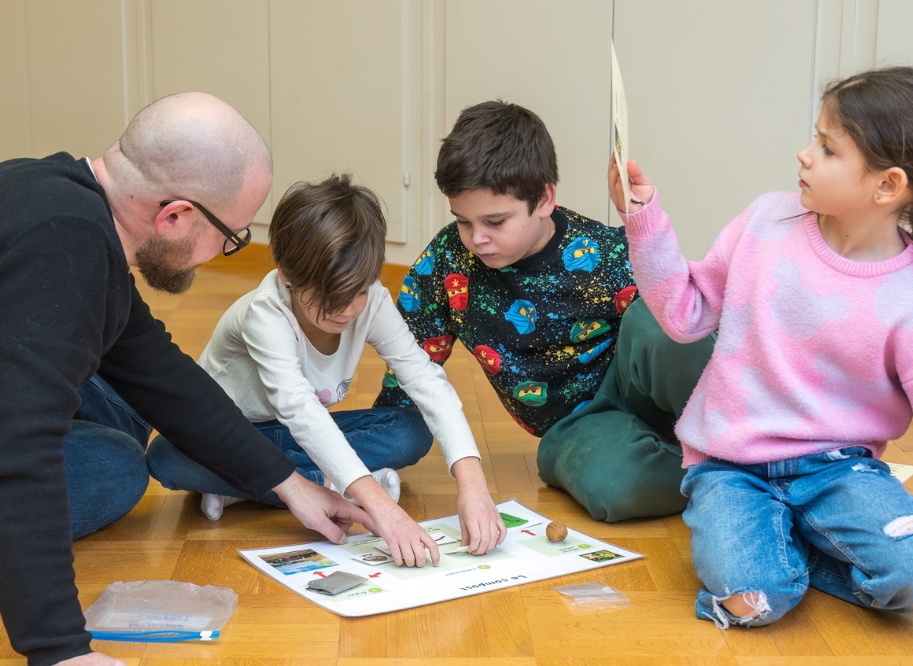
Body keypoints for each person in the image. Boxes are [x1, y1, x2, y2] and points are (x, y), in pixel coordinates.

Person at [611, 67, 913, 648]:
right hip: (729, 467)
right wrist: (644, 222)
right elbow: (684, 314)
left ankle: (801, 541)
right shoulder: (767, 221)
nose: (804, 154)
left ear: (887, 185)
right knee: (752, 601)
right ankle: (789, 549)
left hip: (841, 471)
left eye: (827, 147)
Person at [0, 93, 374, 666]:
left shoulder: (58, 199)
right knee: (118, 466)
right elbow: (19, 448)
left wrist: (289, 484)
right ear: (174, 215)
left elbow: (165, 379)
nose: (223, 255)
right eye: (231, 237)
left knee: (125, 403)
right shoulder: (68, 244)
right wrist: (59, 652)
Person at [373, 100, 714, 522]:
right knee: (615, 485)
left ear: (545, 199)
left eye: (495, 222)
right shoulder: (447, 263)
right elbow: (409, 362)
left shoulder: (603, 253)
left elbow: (694, 314)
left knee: (662, 318)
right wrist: (375, 451)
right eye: (463, 221)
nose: (477, 238)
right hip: (578, 428)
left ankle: (746, 453)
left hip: (640, 384)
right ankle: (724, 478)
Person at [147, 173, 505, 566]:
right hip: (232, 437)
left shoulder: (372, 302)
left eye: (361, 291)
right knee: (167, 458)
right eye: (331, 298)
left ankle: (254, 487)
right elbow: (299, 408)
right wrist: (380, 506)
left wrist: (472, 483)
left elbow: (423, 378)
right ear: (287, 274)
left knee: (412, 430)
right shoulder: (265, 312)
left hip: (301, 434)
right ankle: (317, 484)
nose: (350, 310)